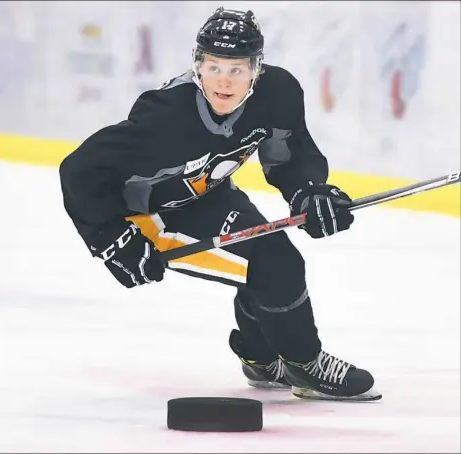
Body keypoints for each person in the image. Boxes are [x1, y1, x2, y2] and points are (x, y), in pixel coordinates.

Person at [59, 6, 381, 402]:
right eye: (214, 67)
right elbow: (79, 170)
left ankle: (260, 357)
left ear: (256, 69)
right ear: (197, 66)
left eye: (237, 69)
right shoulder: (165, 116)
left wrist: (310, 191)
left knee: (268, 259)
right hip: (146, 214)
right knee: (273, 261)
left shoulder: (277, 95)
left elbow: (289, 157)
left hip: (205, 195)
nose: (224, 82)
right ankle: (304, 363)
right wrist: (111, 238)